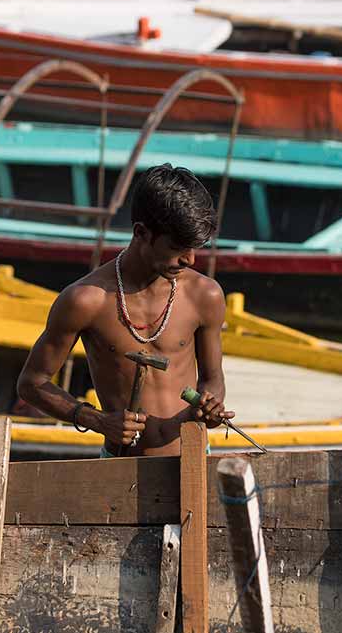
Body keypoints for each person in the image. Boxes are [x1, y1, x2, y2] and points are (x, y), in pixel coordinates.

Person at [16, 163, 233, 457]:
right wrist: (96, 420)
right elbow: (32, 383)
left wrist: (211, 404)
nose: (190, 260)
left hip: (193, 461)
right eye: (179, 247)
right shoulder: (85, 300)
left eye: (195, 247)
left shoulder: (205, 295)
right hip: (120, 469)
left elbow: (213, 378)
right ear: (141, 233)